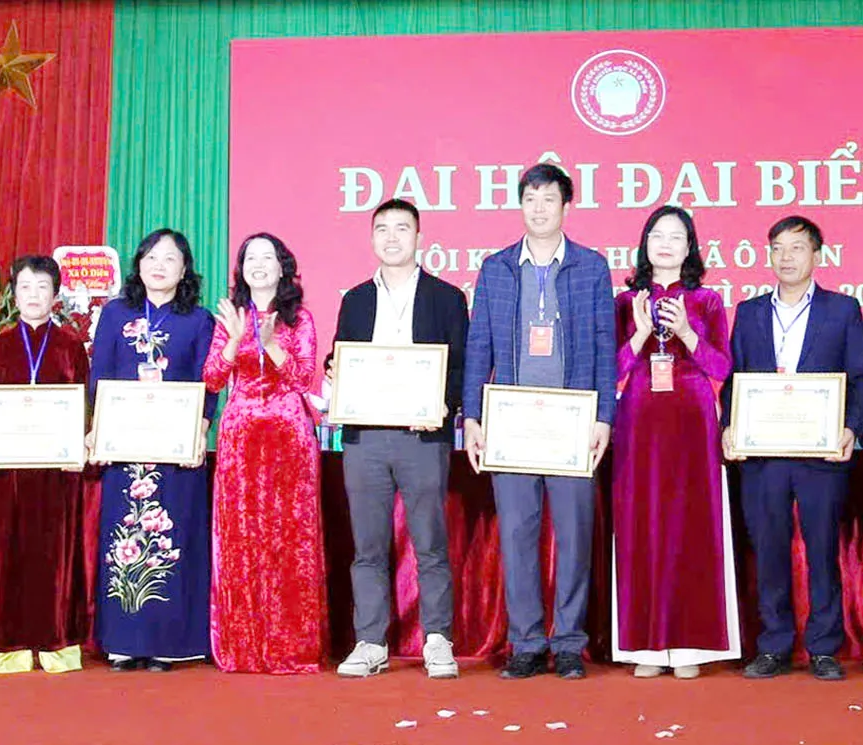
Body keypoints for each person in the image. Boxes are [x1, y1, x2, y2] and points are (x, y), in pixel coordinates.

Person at [461, 163, 617, 680]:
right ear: (520, 205)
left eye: (549, 198)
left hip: (572, 422)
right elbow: (478, 346)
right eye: (530, 198)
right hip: (511, 423)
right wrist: (473, 417)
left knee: (574, 538)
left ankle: (569, 642)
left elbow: (605, 346)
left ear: (566, 206)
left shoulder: (591, 267)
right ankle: (527, 642)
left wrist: (604, 417)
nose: (539, 208)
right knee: (517, 536)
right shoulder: (497, 268)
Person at [725, 216, 863, 681]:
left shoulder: (842, 310)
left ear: (817, 256)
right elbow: (734, 379)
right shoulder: (749, 312)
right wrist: (729, 426)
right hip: (763, 455)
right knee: (768, 551)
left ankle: (824, 648)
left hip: (819, 454)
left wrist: (850, 428)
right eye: (778, 248)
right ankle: (774, 645)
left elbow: (860, 377)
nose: (786, 257)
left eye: (797, 248)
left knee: (822, 550)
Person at [329, 200, 469, 679]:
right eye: (383, 229)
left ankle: (438, 639)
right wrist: (336, 371)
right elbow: (341, 358)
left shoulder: (447, 297)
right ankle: (370, 642)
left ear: (419, 238)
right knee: (368, 547)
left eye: (402, 228)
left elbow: (460, 365)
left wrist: (444, 406)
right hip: (365, 438)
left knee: (430, 543)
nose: (392, 237)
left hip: (422, 437)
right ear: (372, 238)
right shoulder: (355, 300)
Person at [611, 205, 738, 679]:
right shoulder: (625, 302)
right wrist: (642, 333)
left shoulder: (706, 300)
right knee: (640, 522)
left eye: (676, 236)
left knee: (692, 524)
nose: (665, 244)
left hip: (693, 423)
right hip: (640, 422)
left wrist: (685, 331)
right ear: (645, 244)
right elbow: (611, 369)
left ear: (690, 248)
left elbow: (722, 368)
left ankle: (689, 645)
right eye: (657, 235)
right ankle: (645, 646)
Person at [89, 229, 216, 672]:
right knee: (123, 539)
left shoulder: (198, 320)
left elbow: (208, 383)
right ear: (139, 264)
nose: (159, 266)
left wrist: (200, 431)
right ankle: (124, 642)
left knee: (173, 542)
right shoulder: (115, 313)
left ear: (184, 270)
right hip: (125, 450)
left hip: (176, 453)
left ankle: (170, 644)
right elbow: (99, 375)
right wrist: (99, 430)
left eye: (170, 259)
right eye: (151, 257)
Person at [206, 233, 327, 674]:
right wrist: (235, 341)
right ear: (241, 269)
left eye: (267, 257)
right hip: (239, 438)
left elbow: (302, 380)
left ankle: (291, 647)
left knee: (290, 540)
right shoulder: (230, 318)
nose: (258, 264)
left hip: (288, 437)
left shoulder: (300, 318)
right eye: (250, 258)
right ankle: (243, 646)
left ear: (282, 267)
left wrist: (271, 343)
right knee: (241, 539)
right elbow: (212, 379)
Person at [0, 255, 94, 674]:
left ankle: (56, 643)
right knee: (7, 555)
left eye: (43, 287)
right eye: (25, 287)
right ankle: (7, 646)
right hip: (8, 473)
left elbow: (84, 407)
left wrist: (80, 443)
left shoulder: (71, 347)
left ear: (55, 295)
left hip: (58, 473)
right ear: (14, 294)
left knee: (55, 557)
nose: (34, 295)